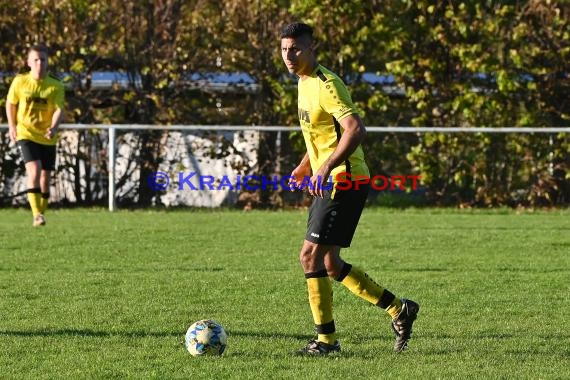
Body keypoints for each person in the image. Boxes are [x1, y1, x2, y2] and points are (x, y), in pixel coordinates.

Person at [280, 22, 419, 355]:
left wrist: (326, 167)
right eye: (285, 49)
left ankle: (326, 341)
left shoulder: (327, 84)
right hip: (331, 180)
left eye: (296, 48)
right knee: (329, 263)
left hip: (345, 181)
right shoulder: (303, 81)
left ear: (312, 48)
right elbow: (322, 135)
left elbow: (355, 129)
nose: (289, 55)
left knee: (309, 256)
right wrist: (305, 165)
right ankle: (399, 309)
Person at [6, 44, 65, 226]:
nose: (40, 63)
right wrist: (12, 126)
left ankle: (41, 211)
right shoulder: (20, 81)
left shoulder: (56, 85)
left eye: (43, 60)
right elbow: (10, 103)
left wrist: (54, 127)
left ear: (48, 62)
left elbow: (59, 109)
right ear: (29, 62)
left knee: (45, 180)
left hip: (47, 136)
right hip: (26, 133)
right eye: (36, 60)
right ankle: (37, 215)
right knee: (34, 169)